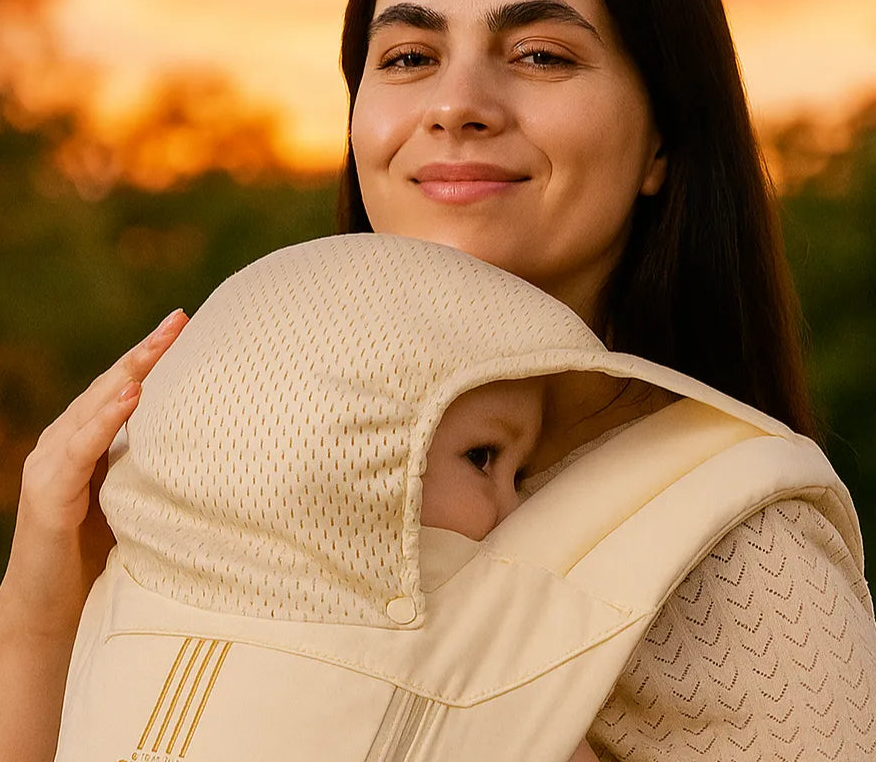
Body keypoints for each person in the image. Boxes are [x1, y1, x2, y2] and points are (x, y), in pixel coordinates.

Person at [0, 0, 876, 761]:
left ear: (661, 144)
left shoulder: (735, 547)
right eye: (407, 57)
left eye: (540, 55)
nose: (459, 103)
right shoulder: (217, 465)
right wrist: (43, 591)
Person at [53, 233, 604, 761]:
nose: (515, 510)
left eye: (521, 473)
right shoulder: (128, 604)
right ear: (341, 448)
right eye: (483, 458)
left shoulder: (495, 659)